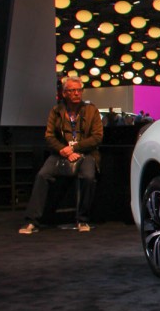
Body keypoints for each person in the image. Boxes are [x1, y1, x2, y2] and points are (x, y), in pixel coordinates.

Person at [19, 76, 104, 234]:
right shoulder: (56, 111)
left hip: (86, 153)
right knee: (43, 175)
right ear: (64, 93)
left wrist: (75, 148)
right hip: (61, 153)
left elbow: (97, 137)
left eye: (79, 90)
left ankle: (83, 219)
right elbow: (49, 136)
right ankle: (32, 221)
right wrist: (63, 150)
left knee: (88, 177)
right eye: (72, 90)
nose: (76, 93)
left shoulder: (91, 109)